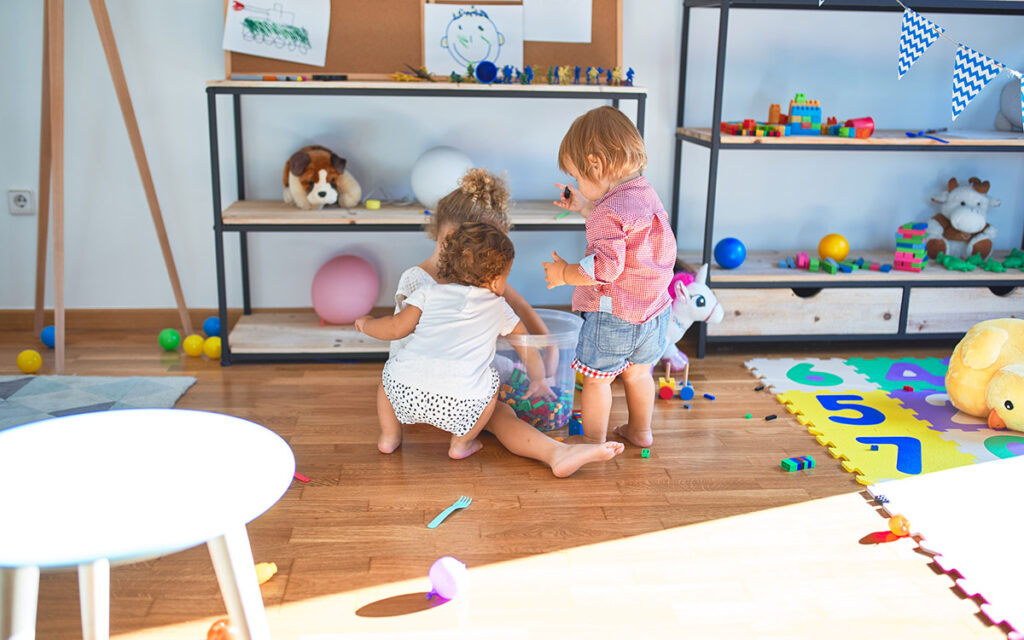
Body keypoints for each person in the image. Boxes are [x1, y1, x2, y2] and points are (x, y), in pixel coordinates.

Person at [356, 221, 623, 476]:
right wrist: (540, 380)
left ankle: (389, 438)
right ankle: (461, 444)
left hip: (405, 392)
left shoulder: (428, 292)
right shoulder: (498, 308)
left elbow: (394, 329)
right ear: (496, 281)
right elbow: (526, 346)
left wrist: (367, 324)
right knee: (491, 382)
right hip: (462, 405)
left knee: (388, 377)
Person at [542, 106, 677, 448]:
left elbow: (606, 267)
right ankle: (640, 431)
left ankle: (591, 442)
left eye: (577, 176)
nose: (576, 184)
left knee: (597, 381)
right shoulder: (645, 194)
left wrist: (564, 274)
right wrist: (583, 207)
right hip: (654, 314)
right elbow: (626, 234)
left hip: (613, 316)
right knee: (639, 374)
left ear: (597, 164)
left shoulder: (607, 213)